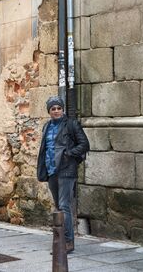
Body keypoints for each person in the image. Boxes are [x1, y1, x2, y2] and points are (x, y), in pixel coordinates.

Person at [37, 96, 90, 253]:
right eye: (53, 109)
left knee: (64, 205)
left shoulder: (71, 124)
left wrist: (69, 153)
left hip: (66, 170)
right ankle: (59, 241)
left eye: (59, 108)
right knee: (58, 206)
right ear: (49, 111)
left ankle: (68, 242)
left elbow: (84, 144)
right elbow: (45, 148)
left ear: (62, 109)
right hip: (51, 170)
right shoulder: (46, 126)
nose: (56, 111)